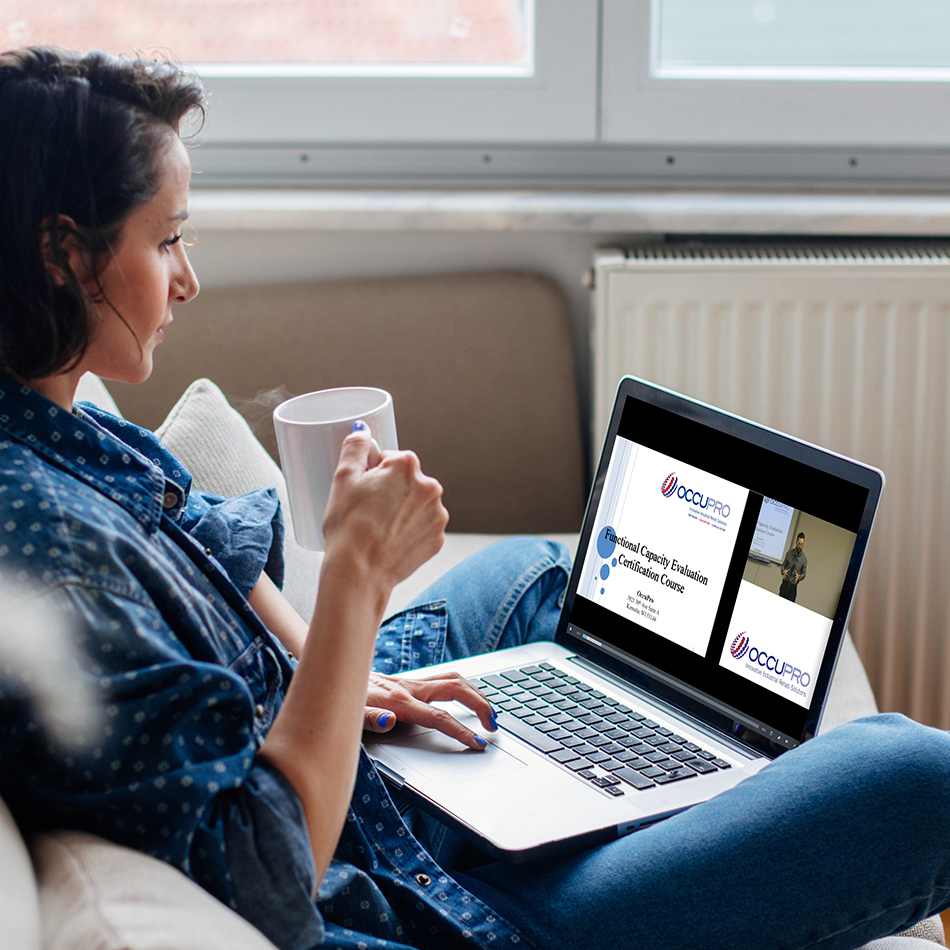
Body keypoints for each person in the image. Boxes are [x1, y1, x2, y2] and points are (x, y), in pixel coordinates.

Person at [1, 46, 949, 950]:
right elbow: (268, 874)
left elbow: (196, 530)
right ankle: (671, 808)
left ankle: (660, 772)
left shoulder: (48, 409)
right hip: (429, 885)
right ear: (63, 254)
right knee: (917, 775)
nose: (188, 279)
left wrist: (350, 675)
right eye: (166, 240)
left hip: (372, 768)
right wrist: (356, 589)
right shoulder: (50, 556)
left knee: (540, 577)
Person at [780, 532, 808, 602]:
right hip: (785, 585)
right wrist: (783, 571)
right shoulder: (789, 553)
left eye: (802, 544)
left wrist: (799, 577)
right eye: (799, 543)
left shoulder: (804, 559)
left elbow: (804, 574)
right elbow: (783, 566)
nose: (800, 546)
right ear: (796, 542)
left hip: (793, 588)